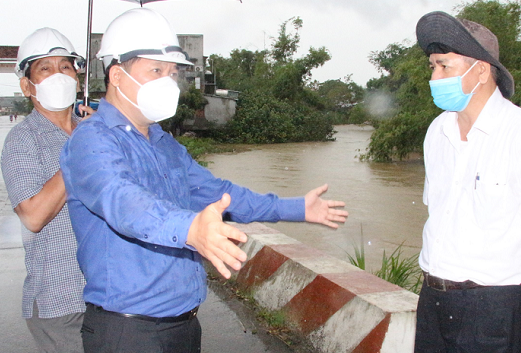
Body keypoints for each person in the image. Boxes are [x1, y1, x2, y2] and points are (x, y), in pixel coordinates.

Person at [59, 8, 348, 353]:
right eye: (156, 70)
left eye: (173, 72)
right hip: (127, 332)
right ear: (118, 76)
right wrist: (191, 229)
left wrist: (296, 207)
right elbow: (124, 202)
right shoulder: (91, 141)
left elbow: (219, 194)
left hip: (184, 326)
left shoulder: (164, 144)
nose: (169, 81)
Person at [414, 11, 521, 352]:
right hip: (432, 297)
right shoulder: (437, 131)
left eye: (445, 66)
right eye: (432, 66)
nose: (435, 76)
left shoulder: (515, 133)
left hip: (492, 306)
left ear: (481, 70)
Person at [0, 28, 94, 353]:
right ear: (27, 86)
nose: (58, 75)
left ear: (78, 77)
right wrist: (82, 149)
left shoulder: (93, 131)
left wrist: (114, 134)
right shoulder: (22, 141)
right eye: (45, 68)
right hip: (61, 302)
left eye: (65, 67)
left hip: (108, 295)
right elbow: (34, 215)